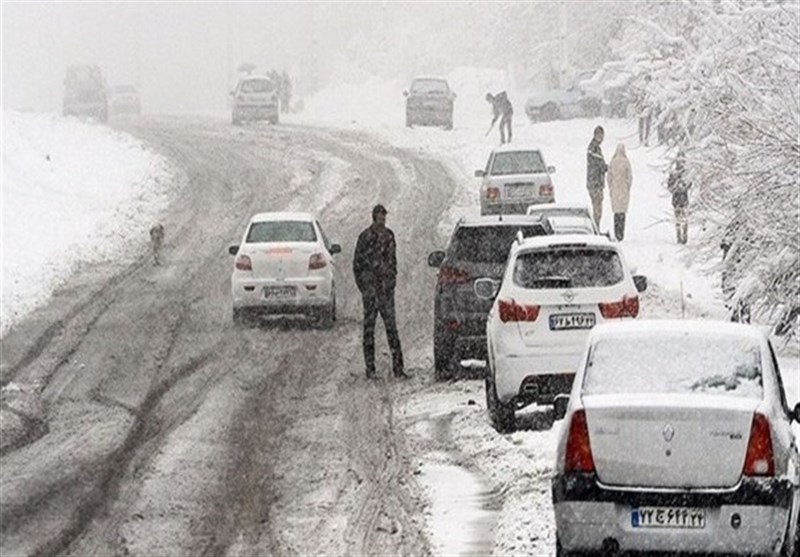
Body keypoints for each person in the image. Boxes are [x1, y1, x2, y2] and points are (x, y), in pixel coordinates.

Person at [353, 204, 408, 379]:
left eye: (384, 216)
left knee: (391, 328)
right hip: (371, 290)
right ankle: (370, 369)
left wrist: (391, 282)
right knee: (369, 330)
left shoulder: (389, 236)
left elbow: (393, 262)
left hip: (385, 290)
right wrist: (364, 287)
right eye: (380, 216)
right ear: (374, 217)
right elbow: (357, 264)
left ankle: (398, 368)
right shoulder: (365, 237)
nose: (382, 219)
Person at [606, 143, 632, 241]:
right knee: (622, 214)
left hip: (615, 191)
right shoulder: (626, 162)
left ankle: (617, 232)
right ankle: (621, 233)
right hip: (624, 191)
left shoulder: (613, 162)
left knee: (616, 214)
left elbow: (609, 177)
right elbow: (629, 177)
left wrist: (611, 187)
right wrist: (627, 187)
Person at [666, 151, 691, 244]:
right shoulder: (682, 173)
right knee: (681, 217)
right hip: (681, 198)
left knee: (681, 218)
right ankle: (681, 235)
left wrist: (677, 188)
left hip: (679, 198)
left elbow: (689, 184)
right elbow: (670, 185)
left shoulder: (678, 173)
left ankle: (682, 235)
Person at [586, 126, 608, 228]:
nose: (601, 138)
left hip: (595, 182)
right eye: (600, 135)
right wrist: (606, 167)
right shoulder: (593, 148)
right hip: (595, 183)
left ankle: (596, 227)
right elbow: (598, 164)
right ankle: (596, 228)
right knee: (597, 208)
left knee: (597, 207)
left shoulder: (595, 147)